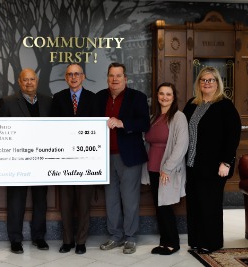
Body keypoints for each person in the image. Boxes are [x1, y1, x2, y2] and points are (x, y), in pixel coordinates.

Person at [183, 66, 241, 254]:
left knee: (210, 205)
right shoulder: (192, 104)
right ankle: (196, 241)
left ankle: (211, 242)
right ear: (198, 83)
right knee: (195, 204)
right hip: (192, 165)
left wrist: (226, 162)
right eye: (203, 80)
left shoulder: (225, 105)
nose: (207, 83)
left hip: (215, 166)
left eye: (211, 80)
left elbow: (233, 136)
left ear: (217, 83)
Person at [97, 62, 150, 254]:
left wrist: (123, 123)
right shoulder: (100, 97)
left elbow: (144, 123)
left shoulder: (138, 97)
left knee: (129, 198)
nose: (115, 79)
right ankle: (115, 236)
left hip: (128, 156)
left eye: (118, 75)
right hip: (104, 157)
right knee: (111, 199)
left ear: (125, 79)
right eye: (111, 75)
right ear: (107, 78)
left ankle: (130, 237)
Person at [0, 68, 52, 254]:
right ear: (19, 83)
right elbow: (2, 133)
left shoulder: (47, 101)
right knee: (16, 201)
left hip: (41, 160)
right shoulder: (8, 102)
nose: (29, 83)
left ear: (36, 81)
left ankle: (39, 237)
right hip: (17, 161)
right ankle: (15, 239)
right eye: (25, 80)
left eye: (32, 79)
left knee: (40, 201)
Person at [51, 63, 97, 255]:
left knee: (84, 203)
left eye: (77, 74)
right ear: (66, 78)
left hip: (86, 160)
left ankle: (81, 241)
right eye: (70, 74)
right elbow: (53, 127)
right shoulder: (59, 98)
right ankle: (67, 240)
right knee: (66, 203)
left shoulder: (93, 99)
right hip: (65, 160)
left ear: (83, 77)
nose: (73, 77)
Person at [141, 82, 188, 255]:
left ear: (173, 97)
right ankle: (164, 242)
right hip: (153, 168)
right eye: (161, 94)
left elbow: (182, 145)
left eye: (168, 94)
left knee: (166, 206)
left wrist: (167, 168)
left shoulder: (178, 117)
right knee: (159, 206)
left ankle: (172, 243)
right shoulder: (154, 116)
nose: (164, 97)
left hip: (167, 169)